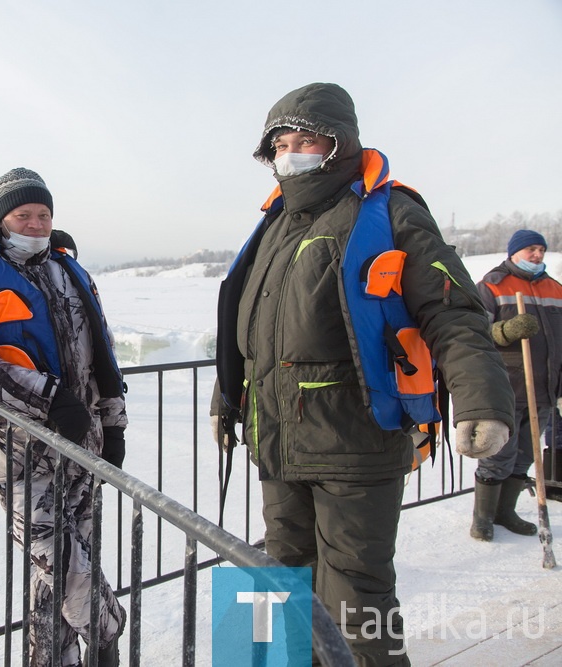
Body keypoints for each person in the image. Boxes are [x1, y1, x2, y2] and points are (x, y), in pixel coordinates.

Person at [211, 82, 513, 665]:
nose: (293, 151)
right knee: (284, 580)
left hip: (357, 442)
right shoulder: (274, 223)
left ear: (339, 143)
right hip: (278, 440)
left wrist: (481, 401)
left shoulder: (392, 210)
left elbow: (451, 312)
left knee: (356, 597)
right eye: (283, 142)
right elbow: (252, 333)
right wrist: (229, 399)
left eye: (307, 139)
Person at [0, 168, 127, 666]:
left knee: (61, 572)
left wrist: (114, 424)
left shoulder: (70, 270)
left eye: (44, 215)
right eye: (24, 215)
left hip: (82, 446)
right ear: (2, 219)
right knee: (60, 563)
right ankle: (108, 634)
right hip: (15, 449)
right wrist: (50, 399)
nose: (36, 224)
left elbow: (102, 357)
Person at [473, 230, 562, 533]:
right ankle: (482, 520)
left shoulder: (555, 288)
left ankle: (504, 513)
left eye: (541, 249)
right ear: (513, 253)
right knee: (499, 455)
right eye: (530, 250)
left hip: (545, 388)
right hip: (507, 386)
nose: (537, 255)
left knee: (525, 455)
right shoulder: (492, 285)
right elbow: (471, 329)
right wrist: (505, 331)